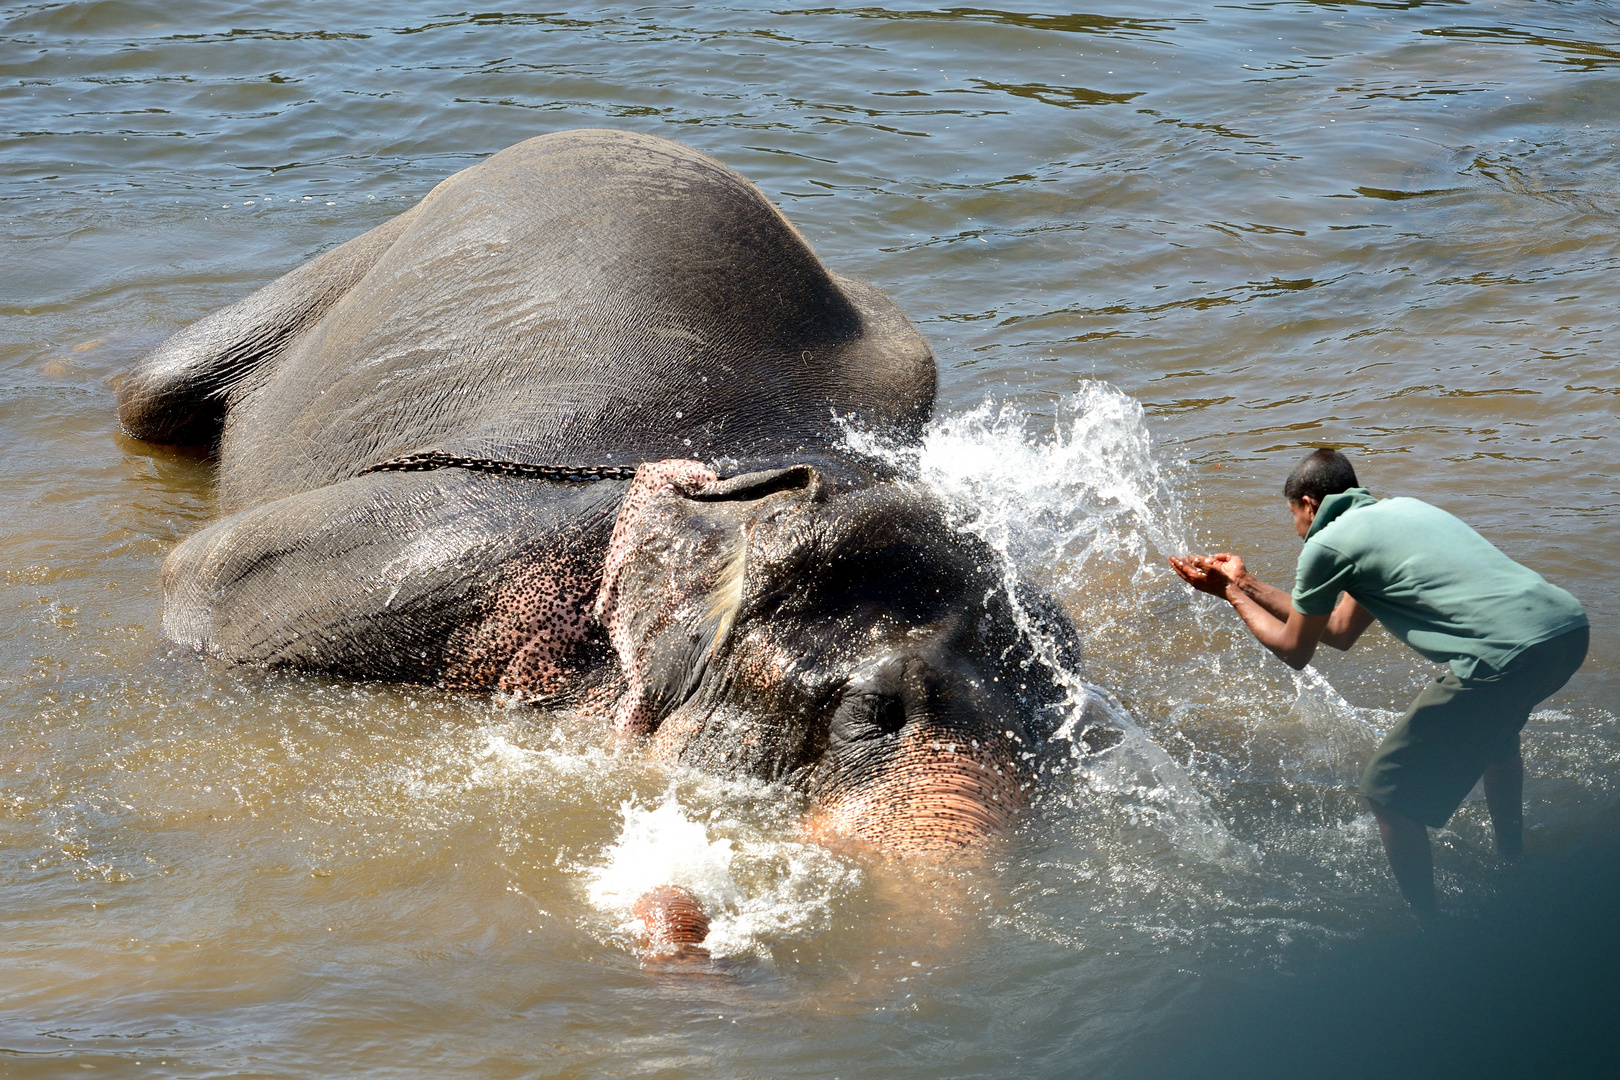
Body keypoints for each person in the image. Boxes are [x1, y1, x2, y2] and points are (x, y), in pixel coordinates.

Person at [1169, 448, 1588, 916]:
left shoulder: (1325, 546)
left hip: (1504, 657)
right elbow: (1341, 629)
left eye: (1292, 515)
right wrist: (1245, 581)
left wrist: (1227, 593)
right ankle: (1514, 860)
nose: (1295, 528)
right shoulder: (1407, 510)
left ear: (1308, 504)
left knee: (1385, 792)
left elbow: (1294, 649)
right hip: (1565, 631)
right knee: (1497, 737)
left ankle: (1427, 929)